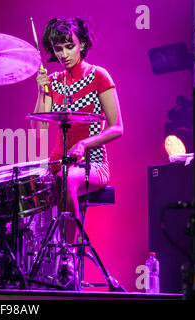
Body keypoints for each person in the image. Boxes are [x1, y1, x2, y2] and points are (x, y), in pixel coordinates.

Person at [31, 17, 123, 246]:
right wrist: (41, 91)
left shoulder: (98, 76)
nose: (63, 54)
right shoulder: (53, 82)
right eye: (58, 49)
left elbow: (117, 127)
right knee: (20, 185)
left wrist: (84, 143)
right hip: (56, 162)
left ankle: (68, 253)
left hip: (92, 163)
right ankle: (30, 262)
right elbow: (38, 132)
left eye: (69, 46)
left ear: (82, 44)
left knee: (67, 177)